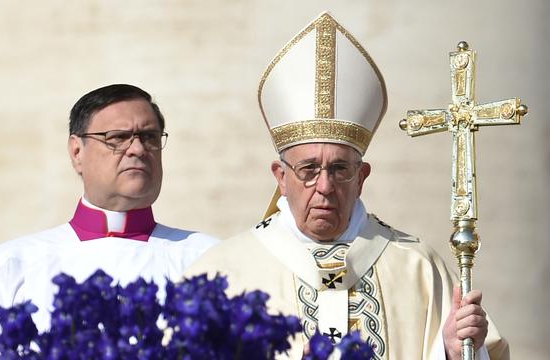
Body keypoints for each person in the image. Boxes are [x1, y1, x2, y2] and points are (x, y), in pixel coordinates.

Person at [185, 12, 509, 360]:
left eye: (340, 169)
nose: (324, 186)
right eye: (308, 169)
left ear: (362, 177)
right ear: (280, 177)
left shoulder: (418, 267)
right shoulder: (224, 270)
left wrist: (450, 353)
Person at [0, 84, 219, 358]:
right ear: (77, 152)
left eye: (149, 136)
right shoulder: (12, 265)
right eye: (118, 137)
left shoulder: (210, 259)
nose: (137, 148)